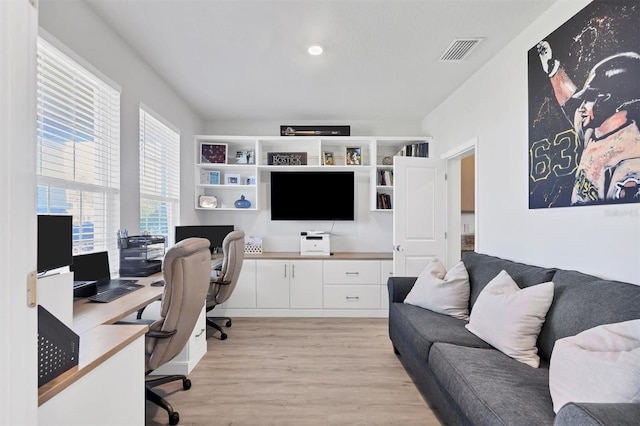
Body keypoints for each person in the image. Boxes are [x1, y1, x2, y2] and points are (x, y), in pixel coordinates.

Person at [537, 41, 640, 204]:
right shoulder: (594, 131)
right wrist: (553, 70)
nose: (582, 107)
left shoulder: (631, 158)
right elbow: (571, 103)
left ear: (609, 101)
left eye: (589, 99)